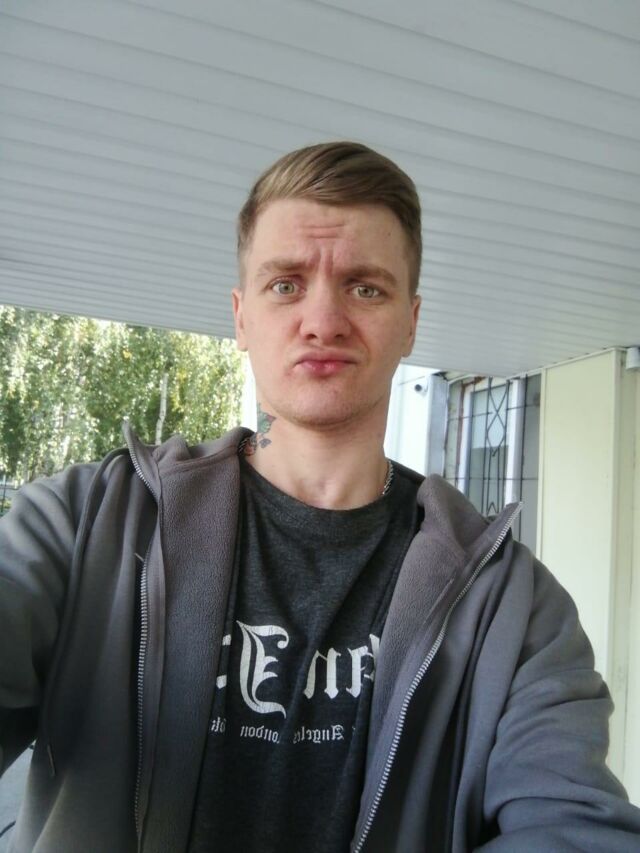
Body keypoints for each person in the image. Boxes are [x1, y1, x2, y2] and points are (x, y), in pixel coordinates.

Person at [1, 141, 639, 853]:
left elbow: (573, 828)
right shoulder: (85, 525)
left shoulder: (514, 608)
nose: (323, 319)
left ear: (410, 322)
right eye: (286, 284)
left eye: (365, 288)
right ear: (241, 318)